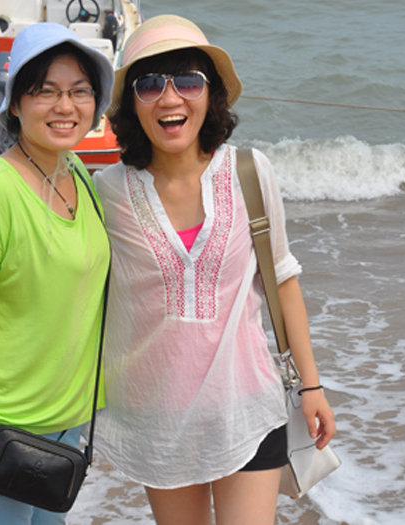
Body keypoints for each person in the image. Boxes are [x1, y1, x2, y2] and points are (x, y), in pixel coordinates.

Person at [91, 15, 336, 524]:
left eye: (188, 81)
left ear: (211, 94)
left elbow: (283, 280)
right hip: (156, 416)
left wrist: (311, 386)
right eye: (150, 84)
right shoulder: (107, 191)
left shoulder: (249, 171)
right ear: (132, 104)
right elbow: (68, 283)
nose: (170, 98)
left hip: (246, 406)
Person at [0, 22, 113, 525]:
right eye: (45, 91)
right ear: (14, 104)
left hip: (65, 419)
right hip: (2, 425)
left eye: (79, 91)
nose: (64, 106)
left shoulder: (77, 173)